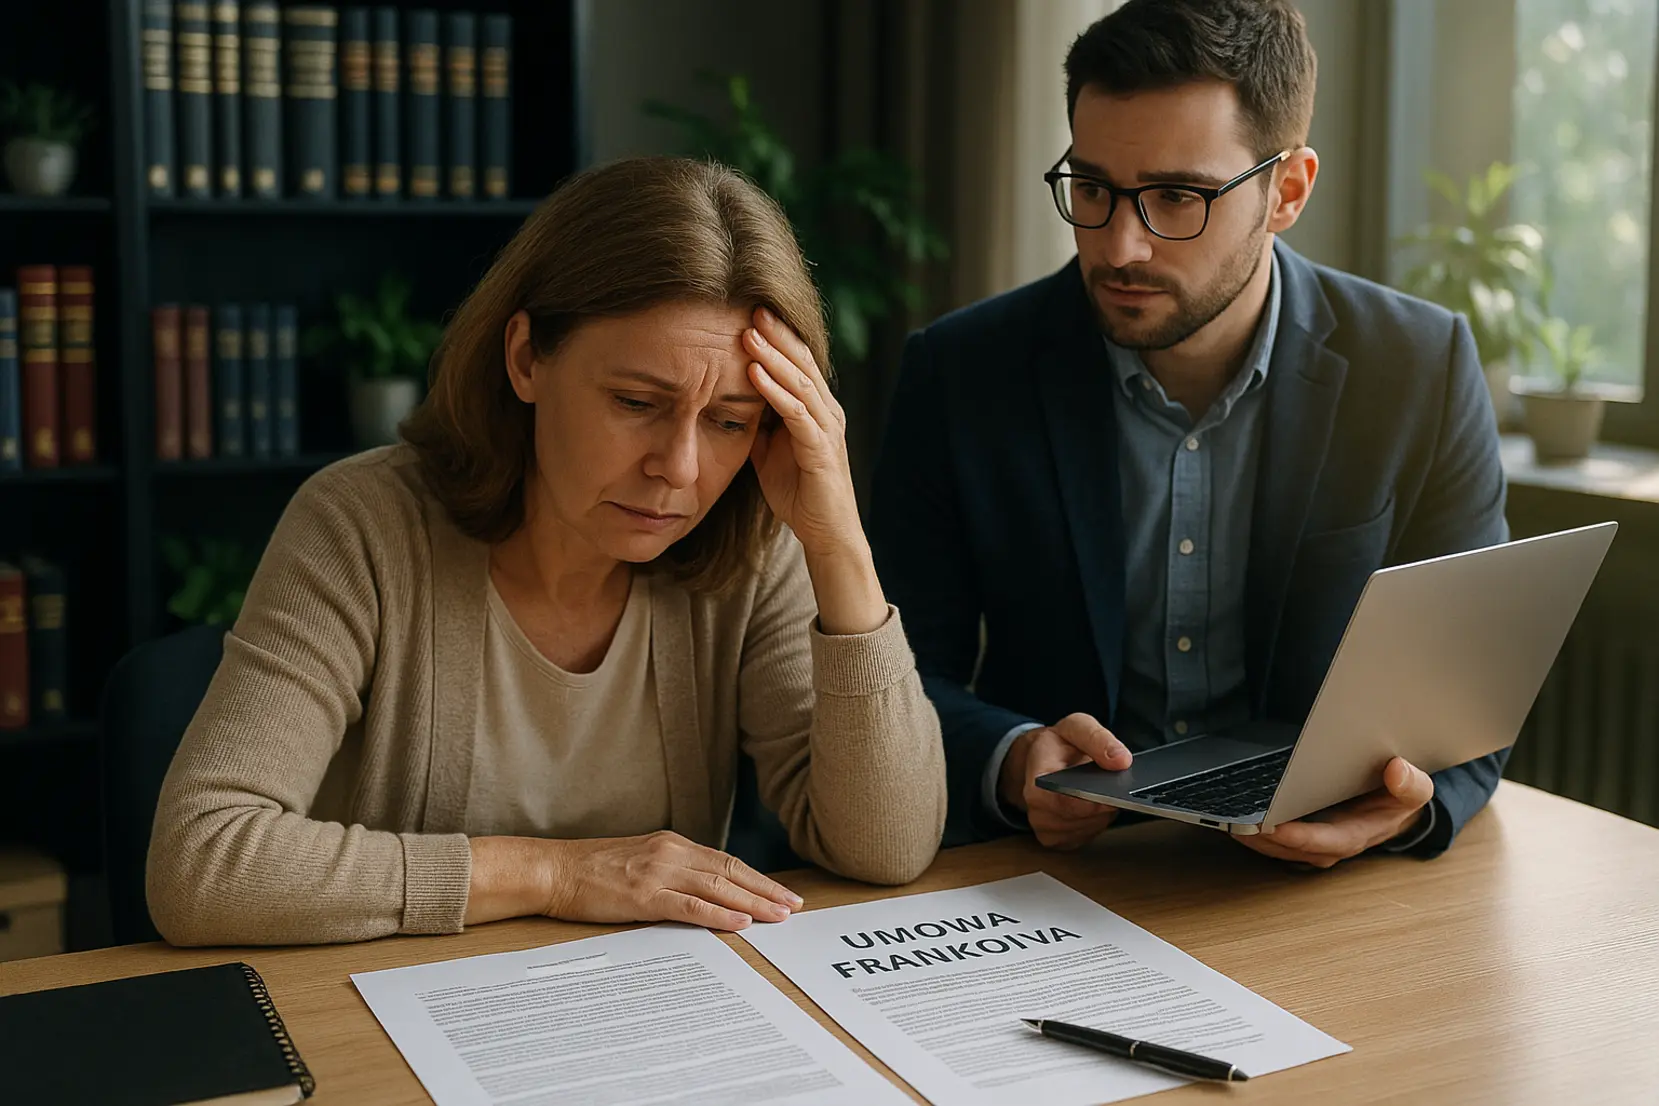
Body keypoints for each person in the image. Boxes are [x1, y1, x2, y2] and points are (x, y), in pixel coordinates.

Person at [148, 157, 947, 946]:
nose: (679, 467)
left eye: (730, 421)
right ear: (527, 357)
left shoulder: (749, 544)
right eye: (637, 402)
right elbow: (202, 861)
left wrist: (837, 543)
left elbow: (885, 849)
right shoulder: (362, 525)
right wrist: (557, 876)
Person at [871, 0, 1508, 865]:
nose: (1121, 244)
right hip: (1060, 873)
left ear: (1285, 192)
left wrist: (1400, 812)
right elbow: (893, 679)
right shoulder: (959, 372)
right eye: (1091, 189)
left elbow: (1470, 685)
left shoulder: (1419, 365)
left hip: (1313, 881)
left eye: (1177, 197)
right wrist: (1015, 753)